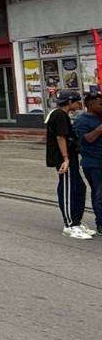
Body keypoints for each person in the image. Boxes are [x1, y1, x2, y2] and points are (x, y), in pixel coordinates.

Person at [46, 90, 87, 238]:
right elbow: (60, 137)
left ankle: (77, 221)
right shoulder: (59, 115)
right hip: (64, 159)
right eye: (77, 102)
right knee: (68, 189)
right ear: (69, 102)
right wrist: (65, 158)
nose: (79, 104)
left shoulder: (62, 115)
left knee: (79, 188)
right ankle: (70, 224)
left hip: (71, 157)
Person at [72, 91, 102, 237]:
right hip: (94, 163)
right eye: (100, 104)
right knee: (99, 194)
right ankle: (101, 223)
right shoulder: (82, 120)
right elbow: (87, 140)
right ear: (91, 104)